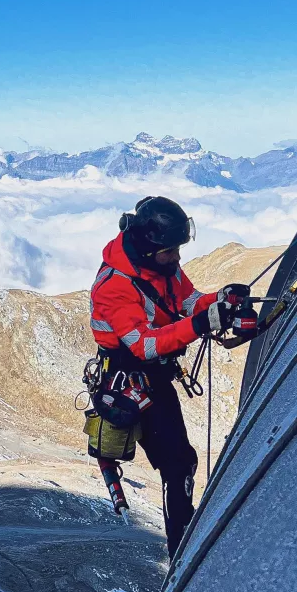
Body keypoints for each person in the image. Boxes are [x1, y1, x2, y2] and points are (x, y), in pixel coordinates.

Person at [88, 195, 255, 554]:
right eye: (170, 251)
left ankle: (185, 536)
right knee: (177, 463)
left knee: (182, 461)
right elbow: (143, 346)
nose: (177, 257)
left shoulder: (161, 267)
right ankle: (181, 549)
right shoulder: (115, 286)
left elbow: (187, 300)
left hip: (153, 379)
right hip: (131, 382)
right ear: (149, 249)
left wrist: (221, 299)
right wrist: (200, 324)